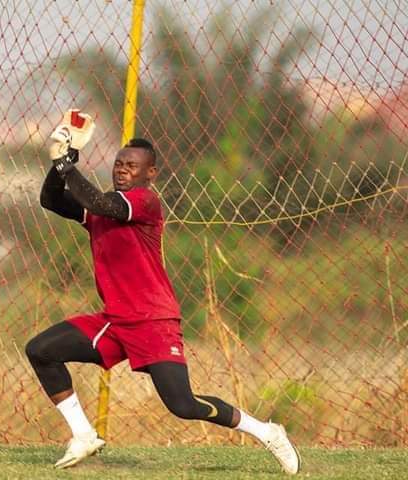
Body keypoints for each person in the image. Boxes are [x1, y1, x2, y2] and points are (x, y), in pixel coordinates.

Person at [25, 110, 301, 474]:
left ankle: (266, 431)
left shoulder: (143, 202)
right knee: (41, 350)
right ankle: (83, 434)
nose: (122, 169)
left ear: (149, 173)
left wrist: (66, 164)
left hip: (154, 320)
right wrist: (65, 159)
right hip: (115, 321)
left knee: (183, 405)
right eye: (119, 163)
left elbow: (102, 203)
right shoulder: (100, 209)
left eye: (131, 166)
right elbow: (51, 200)